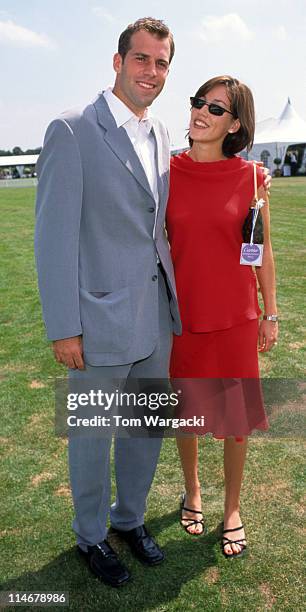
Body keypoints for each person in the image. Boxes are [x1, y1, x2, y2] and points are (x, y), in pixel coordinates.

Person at [35, 17, 182, 587]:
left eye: (162, 62)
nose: (152, 72)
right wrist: (63, 327)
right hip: (96, 320)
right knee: (93, 436)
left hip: (154, 317)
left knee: (146, 431)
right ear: (117, 62)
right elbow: (52, 238)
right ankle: (92, 536)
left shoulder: (163, 133)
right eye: (142, 59)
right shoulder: (72, 130)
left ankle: (130, 520)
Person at [166, 76, 278, 557]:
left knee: (235, 420)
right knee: (187, 415)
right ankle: (192, 492)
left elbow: (262, 248)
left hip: (235, 316)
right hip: (180, 318)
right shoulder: (163, 170)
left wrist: (270, 312)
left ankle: (232, 508)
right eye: (198, 103)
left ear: (234, 124)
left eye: (216, 109)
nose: (201, 113)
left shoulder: (252, 177)